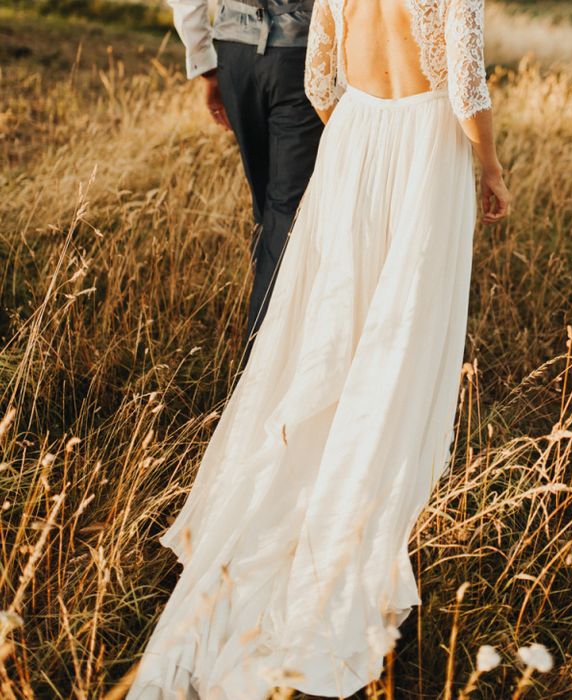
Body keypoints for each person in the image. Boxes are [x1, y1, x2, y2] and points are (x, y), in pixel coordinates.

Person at [127, 0, 509, 697]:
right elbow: (466, 84)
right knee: (396, 335)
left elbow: (322, 83)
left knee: (331, 326)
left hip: (356, 133)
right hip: (425, 147)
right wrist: (490, 165)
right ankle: (352, 526)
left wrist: (359, 140)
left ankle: (295, 484)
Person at [167, 0, 324, 361]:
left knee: (268, 207)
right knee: (284, 212)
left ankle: (272, 344)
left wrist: (205, 65)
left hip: (234, 55)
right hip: (298, 57)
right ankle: (265, 358)